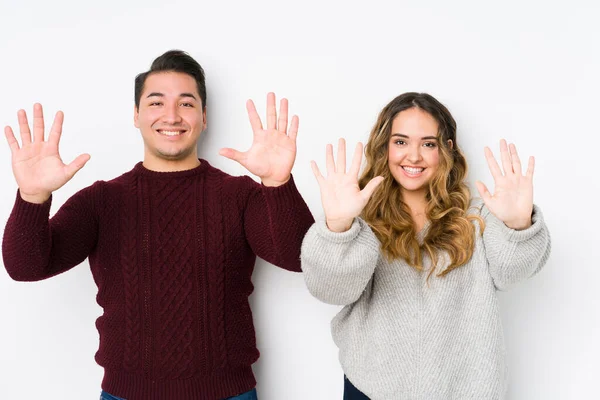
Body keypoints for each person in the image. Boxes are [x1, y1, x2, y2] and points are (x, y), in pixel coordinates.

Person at [2, 50, 314, 400]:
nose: (171, 116)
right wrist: (31, 197)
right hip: (126, 394)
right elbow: (25, 267)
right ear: (136, 115)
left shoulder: (239, 195)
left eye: (186, 103)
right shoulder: (101, 201)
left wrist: (277, 184)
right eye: (155, 103)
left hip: (228, 393)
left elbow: (302, 258)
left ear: (203, 117)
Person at [301, 92, 551, 399]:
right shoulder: (359, 221)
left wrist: (517, 225)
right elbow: (330, 289)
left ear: (446, 149)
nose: (414, 156)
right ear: (385, 147)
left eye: (428, 143)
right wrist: (338, 227)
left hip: (463, 390)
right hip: (371, 388)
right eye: (401, 142)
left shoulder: (477, 217)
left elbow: (511, 272)